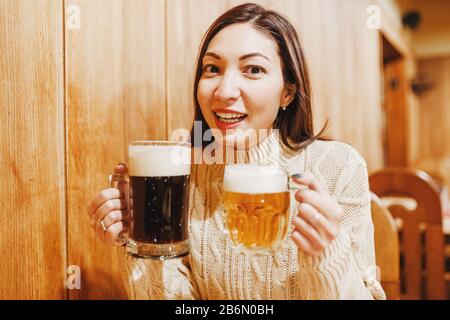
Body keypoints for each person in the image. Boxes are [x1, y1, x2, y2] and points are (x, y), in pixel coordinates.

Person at [87, 3, 386, 300]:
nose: (225, 91)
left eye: (253, 69)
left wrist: (329, 257)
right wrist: (141, 240)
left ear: (288, 92)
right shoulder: (179, 174)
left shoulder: (339, 167)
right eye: (213, 69)